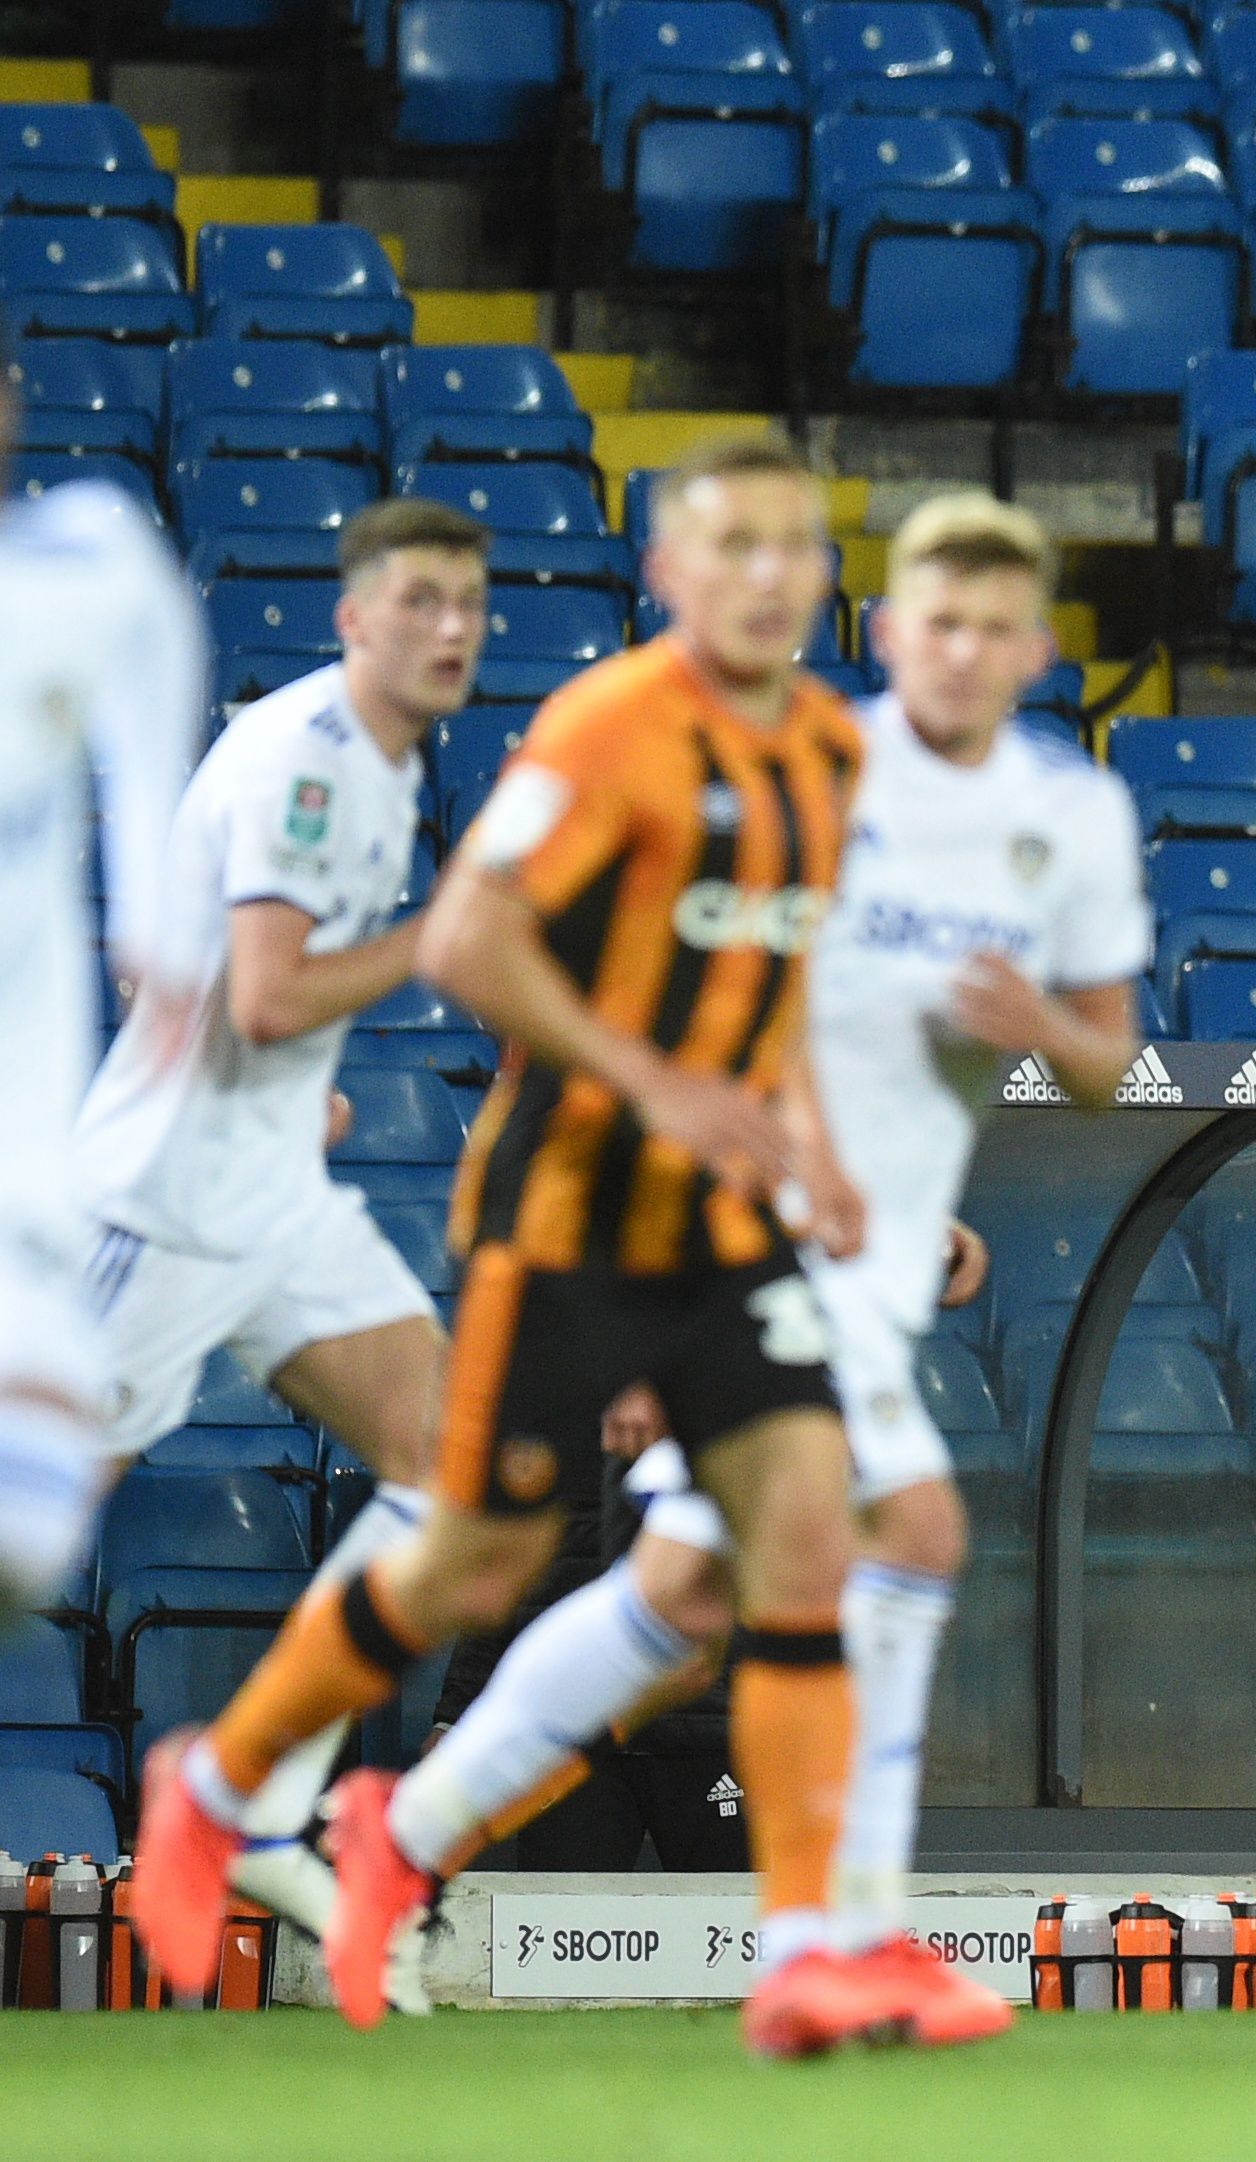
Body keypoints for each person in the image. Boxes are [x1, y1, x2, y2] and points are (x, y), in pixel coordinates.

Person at [342, 492, 1148, 2044]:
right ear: (887, 635)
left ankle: (401, 1836)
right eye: (939, 624)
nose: (966, 655)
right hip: (744, 1227)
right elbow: (690, 1016)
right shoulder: (809, 781)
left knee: (679, 1593)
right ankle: (847, 1931)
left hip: (874, 1255)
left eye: (998, 629)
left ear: (1039, 650)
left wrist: (1033, 1038)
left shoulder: (1077, 816)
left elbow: (1107, 1059)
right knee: (907, 1526)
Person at [129, 432, 895, 2060]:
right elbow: (468, 943)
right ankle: (224, 1794)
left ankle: (813, 1939)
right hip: (553, 1206)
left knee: (795, 1540)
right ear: (665, 579)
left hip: (706, 1230)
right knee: (472, 1551)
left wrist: (818, 1155)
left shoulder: (827, 750)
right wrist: (657, 1085)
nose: (770, 575)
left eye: (797, 546)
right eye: (731, 544)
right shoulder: (600, 727)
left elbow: (781, 990)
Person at [68, 499, 490, 1994]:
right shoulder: (306, 754)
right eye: (420, 599)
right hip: (161, 1201)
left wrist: (294, 1103)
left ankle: (238, 1803)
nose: (451, 628)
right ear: (352, 617)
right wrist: (440, 938)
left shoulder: (391, 758)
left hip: (271, 1201)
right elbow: (264, 990)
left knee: (457, 1468)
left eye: (471, 605)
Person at [0, 349, 202, 1614]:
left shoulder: (82, 564)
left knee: (25, 1543)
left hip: (21, 1163)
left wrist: (158, 918)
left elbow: (149, 668)